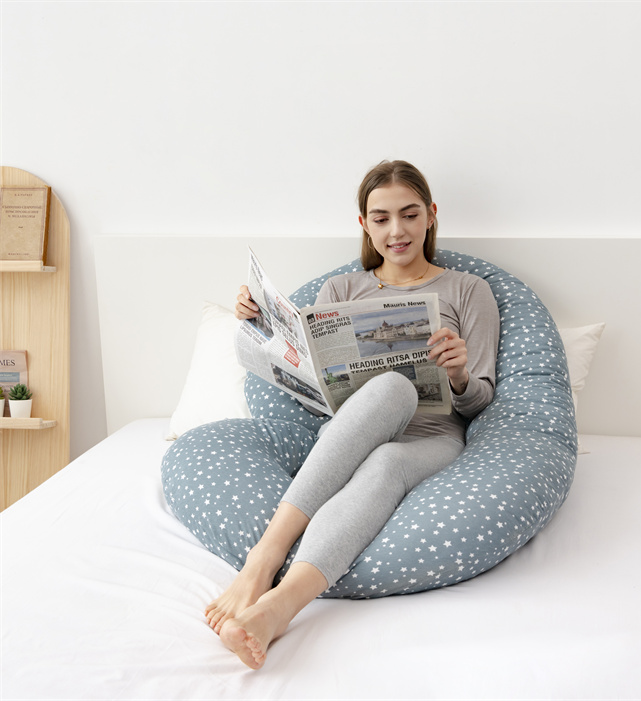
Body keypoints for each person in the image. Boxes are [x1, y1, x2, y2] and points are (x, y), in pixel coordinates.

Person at [206, 160, 500, 670]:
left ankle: (277, 599)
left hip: (433, 434)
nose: (397, 231)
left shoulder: (468, 290)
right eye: (381, 218)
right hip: (352, 429)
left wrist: (458, 376)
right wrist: (258, 326)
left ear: (430, 216)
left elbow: (479, 401)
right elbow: (315, 391)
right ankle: (266, 569)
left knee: (388, 455)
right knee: (386, 403)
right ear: (363, 224)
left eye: (409, 215)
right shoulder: (340, 292)